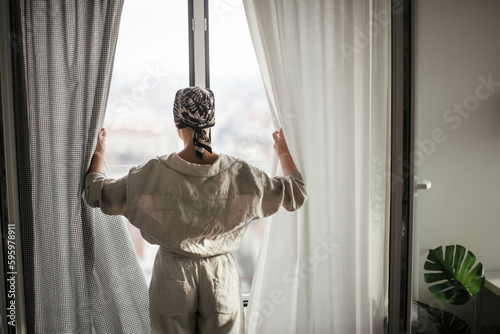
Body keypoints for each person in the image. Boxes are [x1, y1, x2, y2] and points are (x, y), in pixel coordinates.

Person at [85, 86, 308, 334]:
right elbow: (295, 192)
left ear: (177, 123)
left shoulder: (152, 173)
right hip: (220, 279)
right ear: (211, 123)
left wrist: (98, 153)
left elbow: (97, 193)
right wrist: (284, 153)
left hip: (172, 275)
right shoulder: (242, 175)